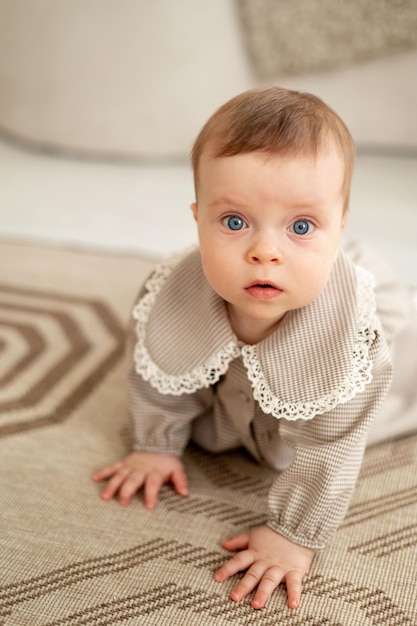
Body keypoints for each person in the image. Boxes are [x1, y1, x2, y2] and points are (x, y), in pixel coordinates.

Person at [92, 87, 417, 610]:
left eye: (302, 226)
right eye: (235, 222)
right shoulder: (173, 291)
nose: (265, 251)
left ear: (338, 230)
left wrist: (293, 535)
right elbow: (155, 369)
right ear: (197, 220)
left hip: (372, 371)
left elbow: (333, 448)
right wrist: (156, 440)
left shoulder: (351, 342)